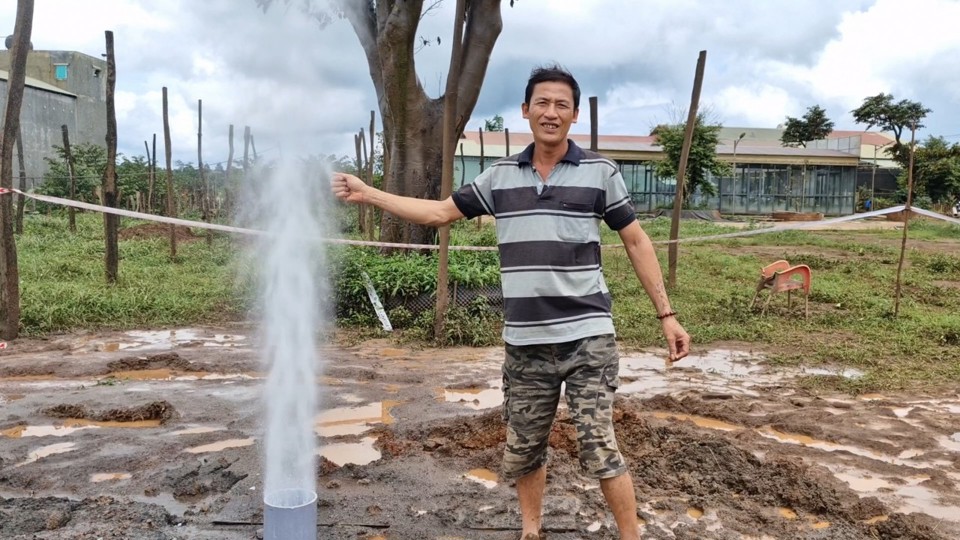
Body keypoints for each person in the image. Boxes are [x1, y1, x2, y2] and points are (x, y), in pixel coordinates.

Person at [332, 65, 690, 540]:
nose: (551, 112)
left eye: (562, 104)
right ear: (526, 110)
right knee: (525, 448)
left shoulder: (600, 173)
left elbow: (637, 241)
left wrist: (666, 315)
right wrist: (368, 193)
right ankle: (531, 531)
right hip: (525, 344)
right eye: (542, 102)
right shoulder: (499, 178)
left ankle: (631, 536)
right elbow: (439, 213)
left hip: (588, 338)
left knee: (599, 445)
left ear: (574, 115)